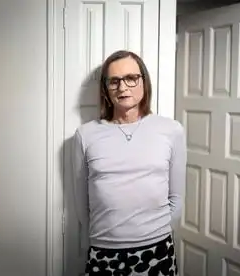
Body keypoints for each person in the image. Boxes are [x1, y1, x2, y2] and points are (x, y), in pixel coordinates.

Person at [71, 50, 186, 276]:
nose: (122, 88)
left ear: (144, 81)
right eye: (114, 81)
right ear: (105, 88)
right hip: (104, 251)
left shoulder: (171, 130)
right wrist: (103, 237)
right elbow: (80, 201)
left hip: (157, 250)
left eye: (131, 78)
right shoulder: (85, 135)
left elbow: (177, 197)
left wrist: (151, 232)